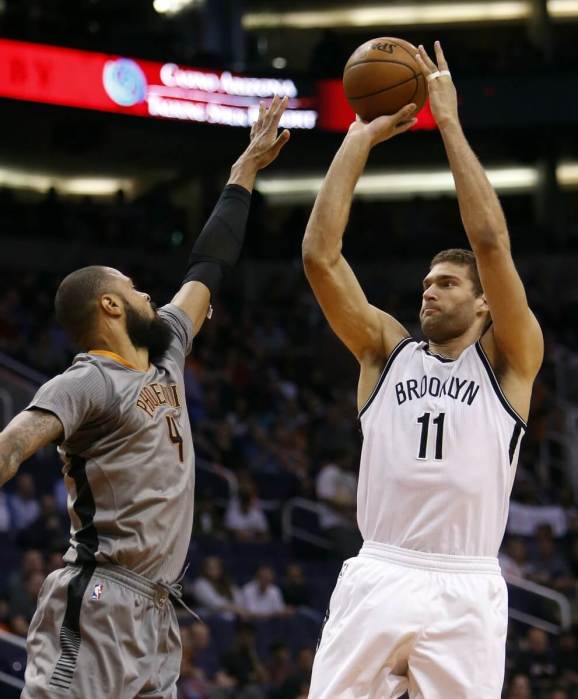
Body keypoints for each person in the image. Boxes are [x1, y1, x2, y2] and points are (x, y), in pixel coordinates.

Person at [0, 95, 291, 699]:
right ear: (109, 306)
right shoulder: (86, 382)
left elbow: (208, 265)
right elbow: (12, 446)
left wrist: (244, 172)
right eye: (132, 289)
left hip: (157, 607)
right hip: (99, 596)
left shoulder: (167, 348)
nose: (146, 294)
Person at [302, 42, 543, 699]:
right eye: (425, 283)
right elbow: (321, 257)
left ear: (484, 301)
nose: (428, 292)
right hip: (381, 565)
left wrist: (450, 124)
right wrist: (357, 139)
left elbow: (491, 242)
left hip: (466, 579)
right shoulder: (386, 351)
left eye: (444, 283)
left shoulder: (510, 359)